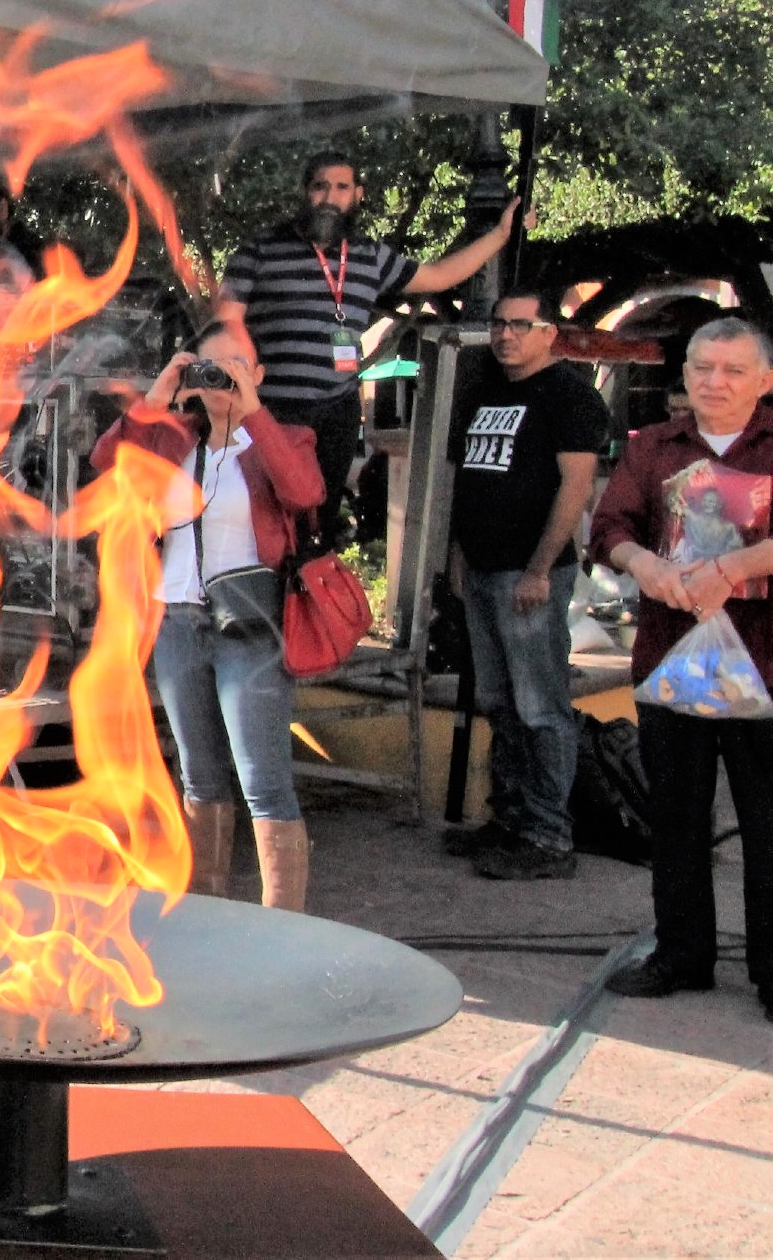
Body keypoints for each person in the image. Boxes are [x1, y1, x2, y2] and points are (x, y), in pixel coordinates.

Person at [95, 322, 325, 908]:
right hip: (178, 621)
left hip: (250, 627)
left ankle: (283, 924)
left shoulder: (283, 438)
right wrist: (160, 395)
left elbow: (303, 492)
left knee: (263, 781)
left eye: (235, 366)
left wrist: (252, 413)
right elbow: (107, 462)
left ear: (259, 375)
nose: (218, 378)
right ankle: (208, 907)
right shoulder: (176, 440)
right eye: (208, 367)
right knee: (198, 773)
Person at [589, 316, 773, 1018]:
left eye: (731, 370)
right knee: (677, 816)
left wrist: (734, 565)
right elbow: (611, 530)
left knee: (767, 822)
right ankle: (681, 952)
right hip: (674, 659)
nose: (714, 383)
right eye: (701, 367)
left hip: (765, 658)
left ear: (764, 379)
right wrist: (648, 565)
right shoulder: (653, 447)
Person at [218, 152, 523, 544]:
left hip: (338, 408)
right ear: (305, 192)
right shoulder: (260, 249)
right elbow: (228, 316)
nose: (330, 196)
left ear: (357, 195)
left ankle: (311, 598)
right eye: (320, 186)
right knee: (266, 515)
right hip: (273, 407)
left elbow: (439, 276)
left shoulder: (369, 255)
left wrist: (499, 235)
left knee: (320, 524)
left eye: (342, 187)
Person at [442, 287, 610, 881]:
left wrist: (541, 569)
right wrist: (460, 555)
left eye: (520, 324)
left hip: (530, 573)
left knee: (540, 703)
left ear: (548, 333)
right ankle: (509, 819)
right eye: (499, 324)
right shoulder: (488, 389)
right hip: (484, 569)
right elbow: (469, 481)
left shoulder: (569, 395)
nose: (506, 334)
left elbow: (575, 489)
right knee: (499, 701)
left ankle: (547, 835)